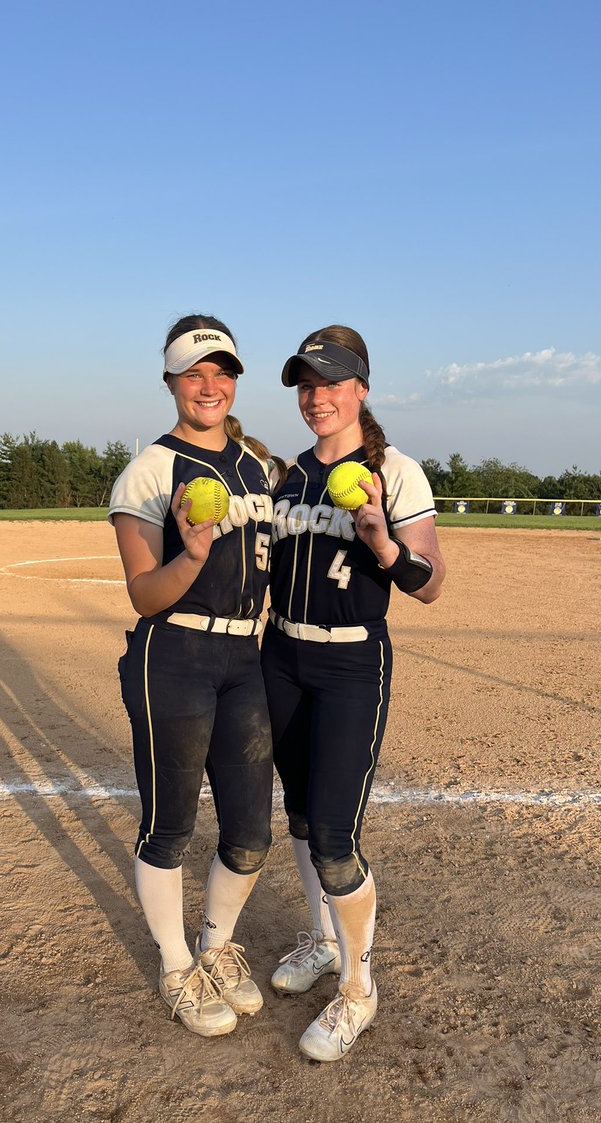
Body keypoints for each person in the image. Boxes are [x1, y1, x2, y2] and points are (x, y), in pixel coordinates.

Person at [261, 324, 446, 1062]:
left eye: (331, 383)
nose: (316, 398)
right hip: (282, 658)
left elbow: (430, 585)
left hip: (350, 666)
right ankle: (321, 943)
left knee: (337, 838)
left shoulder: (395, 471)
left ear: (362, 388)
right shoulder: (290, 476)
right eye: (306, 385)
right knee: (302, 819)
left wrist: (382, 542)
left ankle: (359, 992)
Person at [108, 314, 279, 1038]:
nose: (209, 385)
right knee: (170, 825)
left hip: (247, 659)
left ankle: (216, 945)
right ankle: (176, 963)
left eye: (222, 372)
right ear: (171, 381)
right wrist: (194, 556)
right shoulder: (151, 469)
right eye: (193, 372)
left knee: (249, 831)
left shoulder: (258, 468)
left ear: (235, 380)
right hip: (172, 655)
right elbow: (144, 593)